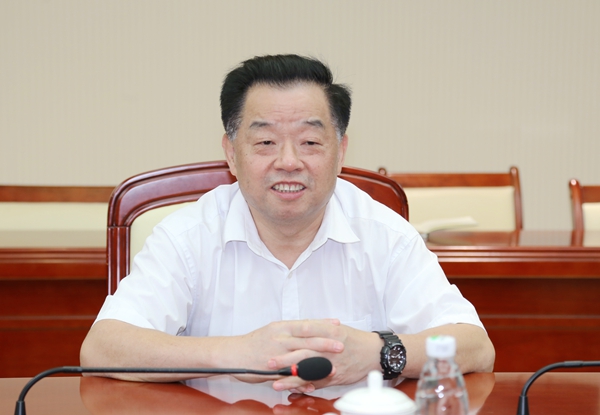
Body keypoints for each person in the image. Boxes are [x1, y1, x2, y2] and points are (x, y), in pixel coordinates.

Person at [80, 54, 494, 393]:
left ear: (341, 151)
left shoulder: (385, 235)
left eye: (310, 142)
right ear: (231, 154)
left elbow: (475, 347)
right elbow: (101, 348)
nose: (289, 162)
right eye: (265, 142)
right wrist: (232, 354)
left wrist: (378, 352)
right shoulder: (188, 236)